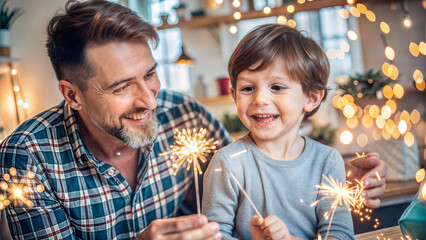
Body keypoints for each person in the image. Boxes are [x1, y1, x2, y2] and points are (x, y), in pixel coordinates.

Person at [0, 1, 386, 239]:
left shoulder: (184, 115)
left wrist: (332, 183)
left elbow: (254, 170)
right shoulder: (27, 159)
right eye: (121, 87)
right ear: (72, 95)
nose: (148, 99)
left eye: (150, 74)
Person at [202, 24, 354, 240]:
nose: (260, 99)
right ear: (234, 95)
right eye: (247, 89)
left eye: (277, 87)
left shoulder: (327, 161)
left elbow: (341, 235)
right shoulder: (227, 163)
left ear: (311, 98)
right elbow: (213, 236)